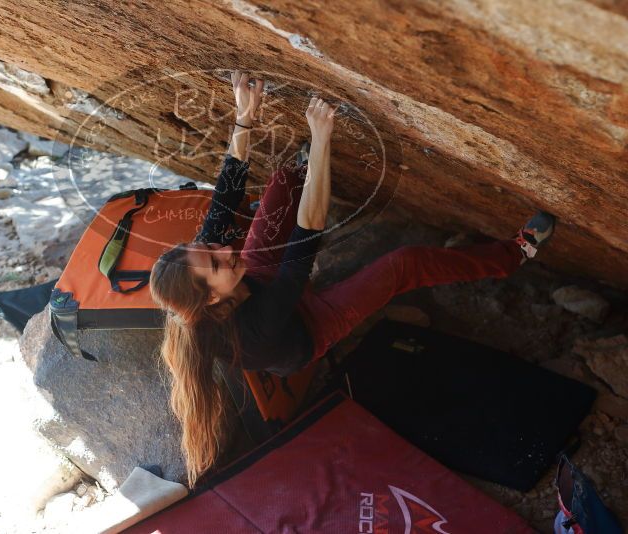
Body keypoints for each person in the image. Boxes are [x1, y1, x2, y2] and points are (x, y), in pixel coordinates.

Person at [149, 70, 556, 487]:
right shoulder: (252, 332)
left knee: (283, 183)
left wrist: (245, 116)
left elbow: (226, 195)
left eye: (210, 248)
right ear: (213, 302)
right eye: (215, 263)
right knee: (403, 264)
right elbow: (303, 245)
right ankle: (511, 255)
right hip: (307, 327)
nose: (222, 250)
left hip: (258, 280)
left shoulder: (205, 270)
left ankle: (307, 171)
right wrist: (323, 138)